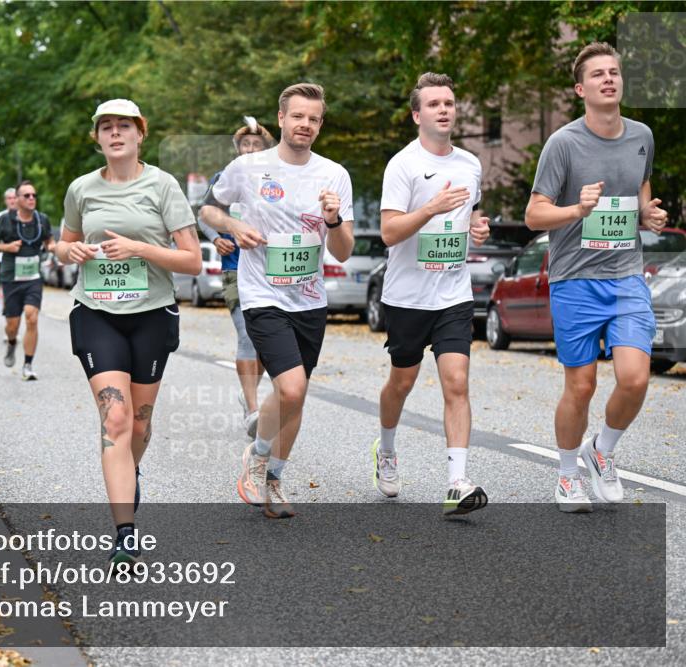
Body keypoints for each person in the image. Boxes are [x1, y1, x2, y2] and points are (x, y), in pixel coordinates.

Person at [525, 42, 667, 512]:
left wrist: (647, 213)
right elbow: (534, 214)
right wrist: (576, 209)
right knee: (581, 385)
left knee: (635, 378)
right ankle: (568, 475)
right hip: (575, 280)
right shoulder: (563, 143)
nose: (609, 79)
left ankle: (602, 450)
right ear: (580, 89)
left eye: (614, 72)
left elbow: (640, 184)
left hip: (626, 276)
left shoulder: (642, 135)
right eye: (598, 74)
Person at [56, 99, 200, 563]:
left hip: (152, 315)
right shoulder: (81, 188)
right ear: (97, 138)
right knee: (115, 420)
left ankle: (127, 470)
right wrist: (70, 252)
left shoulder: (163, 185)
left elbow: (192, 261)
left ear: (140, 134)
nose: (115, 133)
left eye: (124, 126)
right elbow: (63, 244)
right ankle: (125, 534)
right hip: (96, 313)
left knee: (139, 422)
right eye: (106, 127)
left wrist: (140, 248)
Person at [204, 83, 354, 520]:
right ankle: (256, 456)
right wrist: (233, 225)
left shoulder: (334, 175)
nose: (305, 124)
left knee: (296, 397)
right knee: (291, 387)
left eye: (314, 119)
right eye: (298, 116)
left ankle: (274, 478)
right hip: (262, 294)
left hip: (309, 300)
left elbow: (343, 251)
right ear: (282, 118)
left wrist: (333, 219)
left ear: (320, 125)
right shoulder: (248, 167)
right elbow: (208, 210)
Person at [372, 73, 491, 516]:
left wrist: (477, 227)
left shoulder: (471, 164)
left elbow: (471, 214)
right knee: (402, 382)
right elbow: (389, 232)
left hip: (453, 294)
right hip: (407, 297)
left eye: (449, 103)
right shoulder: (402, 165)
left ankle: (457, 482)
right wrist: (430, 208)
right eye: (434, 104)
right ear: (416, 115)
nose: (444, 110)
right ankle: (386, 449)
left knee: (456, 382)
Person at [199, 117, 275, 438]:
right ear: (238, 148)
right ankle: (254, 410)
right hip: (234, 268)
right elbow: (204, 216)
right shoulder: (224, 177)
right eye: (245, 144)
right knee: (246, 335)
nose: (250, 149)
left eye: (257, 144)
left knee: (266, 342)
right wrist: (216, 238)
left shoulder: (277, 178)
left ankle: (248, 394)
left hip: (270, 271)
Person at [0, 180, 55, 379]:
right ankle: (11, 343)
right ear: (17, 199)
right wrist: (6, 247)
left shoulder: (42, 220)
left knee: (32, 317)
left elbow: (49, 240)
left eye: (34, 195)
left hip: (33, 277)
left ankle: (28, 365)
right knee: (12, 325)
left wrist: (54, 247)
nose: (32, 198)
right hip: (11, 278)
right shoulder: (5, 220)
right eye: (27, 195)